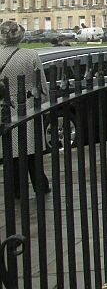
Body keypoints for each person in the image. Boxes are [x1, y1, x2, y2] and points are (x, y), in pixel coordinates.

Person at [0, 21, 49, 197]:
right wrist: (44, 103)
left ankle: (16, 190)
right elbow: (42, 85)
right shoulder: (31, 55)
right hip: (28, 105)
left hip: (4, 107)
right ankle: (40, 185)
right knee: (31, 151)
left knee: (10, 152)